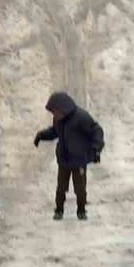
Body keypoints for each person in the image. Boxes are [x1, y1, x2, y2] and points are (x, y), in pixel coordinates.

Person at [33, 92, 104, 221]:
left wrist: (96, 148)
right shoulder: (58, 119)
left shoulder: (82, 117)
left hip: (79, 160)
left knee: (80, 189)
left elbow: (96, 130)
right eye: (53, 112)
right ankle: (59, 210)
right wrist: (41, 135)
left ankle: (81, 210)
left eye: (55, 111)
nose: (54, 115)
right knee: (61, 188)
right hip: (64, 159)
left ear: (63, 109)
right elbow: (55, 131)